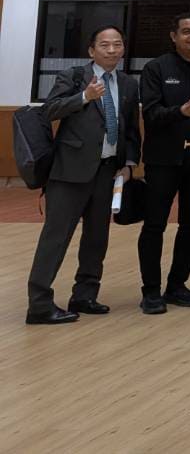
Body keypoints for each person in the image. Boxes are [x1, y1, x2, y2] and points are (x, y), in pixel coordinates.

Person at [26, 25, 141, 325]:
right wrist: (84, 97)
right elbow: (49, 110)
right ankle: (39, 305)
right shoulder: (74, 76)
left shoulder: (128, 84)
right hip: (69, 172)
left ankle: (85, 295)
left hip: (107, 172)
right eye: (105, 45)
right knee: (56, 238)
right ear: (92, 50)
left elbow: (131, 129)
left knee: (96, 238)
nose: (112, 50)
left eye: (117, 44)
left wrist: (129, 163)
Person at [137, 12, 190, 315]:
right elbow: (150, 113)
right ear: (174, 36)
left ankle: (177, 285)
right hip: (163, 160)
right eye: (187, 31)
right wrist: (179, 113)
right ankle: (150, 291)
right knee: (154, 225)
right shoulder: (156, 68)